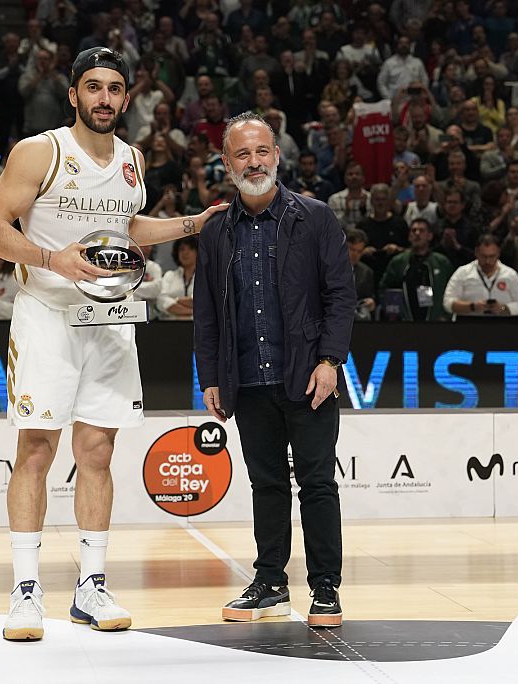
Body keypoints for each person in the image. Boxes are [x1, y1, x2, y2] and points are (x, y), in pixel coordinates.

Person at [0, 47, 226, 642]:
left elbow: (129, 228)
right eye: (93, 86)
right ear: (74, 94)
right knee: (36, 449)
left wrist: (193, 222)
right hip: (47, 316)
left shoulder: (134, 159)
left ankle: (91, 586)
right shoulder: (41, 151)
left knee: (97, 453)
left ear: (126, 97)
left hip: (110, 320)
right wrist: (49, 257)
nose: (104, 98)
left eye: (115, 88)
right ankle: (26, 591)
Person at [194, 112, 356, 628]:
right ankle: (269, 584)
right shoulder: (216, 229)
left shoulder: (315, 217)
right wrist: (211, 377)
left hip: (308, 376)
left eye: (261, 151)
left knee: (317, 484)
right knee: (266, 485)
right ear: (227, 163)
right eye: (242, 154)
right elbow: (206, 312)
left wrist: (331, 361)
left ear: (277, 155)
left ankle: (325, 589)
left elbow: (341, 296)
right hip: (247, 378)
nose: (254, 161)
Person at [380, 218, 454, 321]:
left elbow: (453, 292)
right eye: (413, 230)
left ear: (430, 236)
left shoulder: (442, 262)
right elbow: (385, 289)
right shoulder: (398, 262)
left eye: (422, 230)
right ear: (409, 236)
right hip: (405, 324)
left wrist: (445, 316)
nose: (417, 233)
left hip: (436, 323)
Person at [443, 234, 518, 318]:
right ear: (476, 252)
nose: (487, 261)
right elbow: (447, 303)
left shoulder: (510, 274)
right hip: (469, 325)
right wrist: (472, 306)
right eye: (484, 256)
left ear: (498, 253)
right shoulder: (462, 273)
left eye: (492, 256)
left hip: (502, 325)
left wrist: (503, 308)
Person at [156, 236, 196, 320]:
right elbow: (161, 301)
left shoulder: (205, 277)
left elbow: (203, 301)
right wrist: (192, 311)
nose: (185, 253)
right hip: (171, 326)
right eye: (182, 249)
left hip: (199, 328)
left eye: (191, 249)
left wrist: (176, 300)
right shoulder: (169, 275)